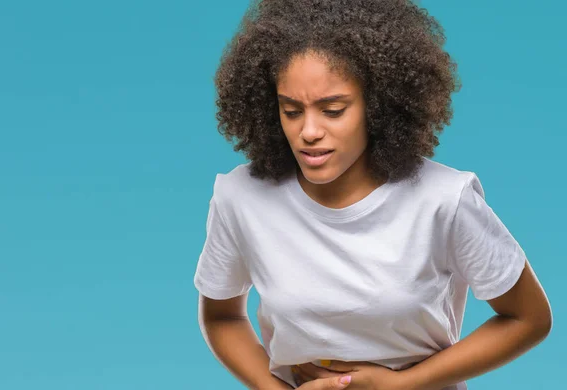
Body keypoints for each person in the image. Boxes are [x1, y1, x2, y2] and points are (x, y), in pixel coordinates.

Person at [193, 1, 553, 389]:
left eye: (332, 110)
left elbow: (529, 318)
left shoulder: (444, 201)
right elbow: (223, 317)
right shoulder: (241, 198)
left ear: (378, 105)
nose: (308, 131)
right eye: (291, 111)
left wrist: (402, 384)